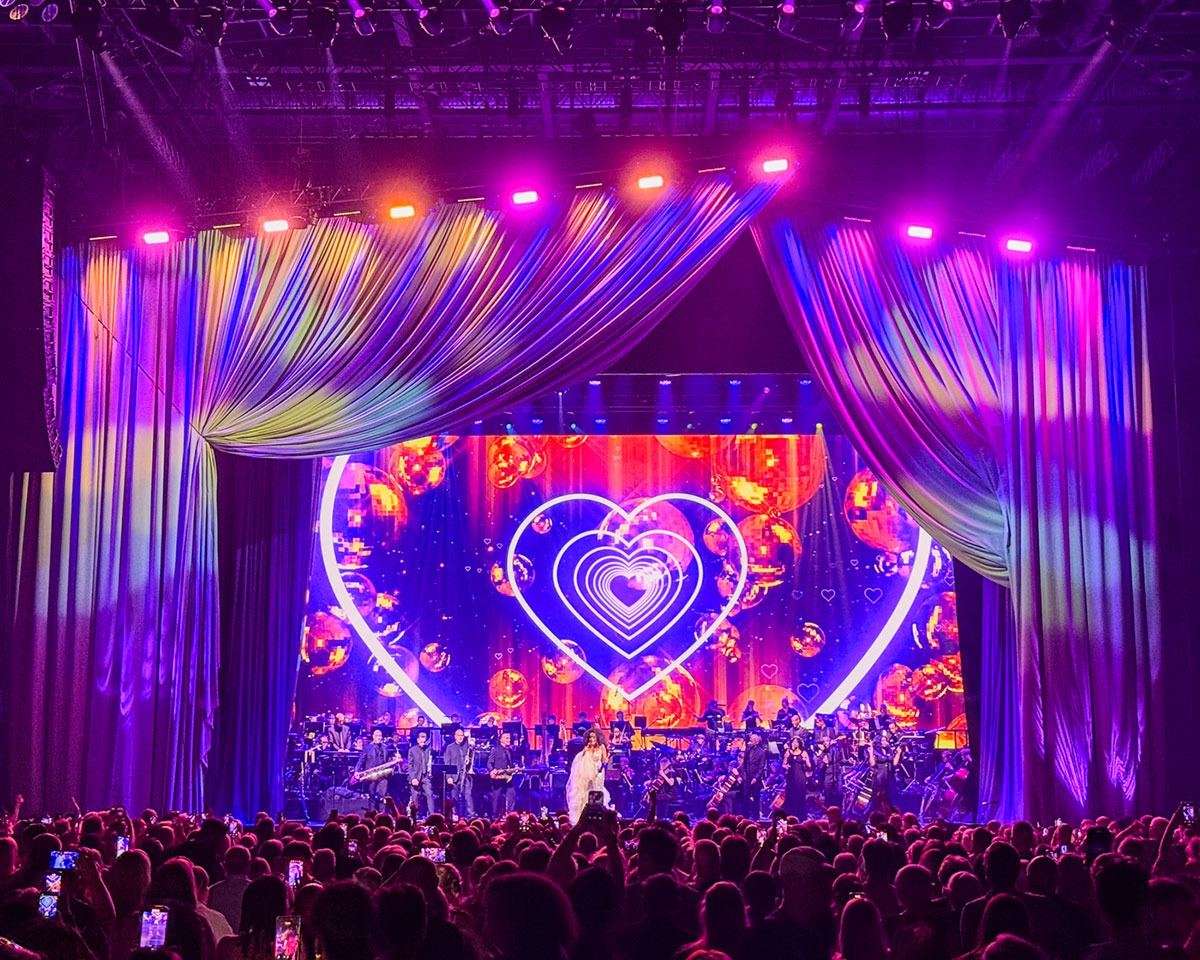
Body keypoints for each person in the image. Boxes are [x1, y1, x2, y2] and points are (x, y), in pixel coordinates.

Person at [566, 729, 610, 825]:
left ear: (598, 738)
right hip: (587, 775)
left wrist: (601, 768)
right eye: (590, 737)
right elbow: (580, 762)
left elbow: (605, 760)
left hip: (598, 773)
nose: (592, 739)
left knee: (597, 791)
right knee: (586, 792)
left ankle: (598, 815)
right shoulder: (586, 748)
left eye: (594, 737)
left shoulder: (601, 747)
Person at [353, 729, 398, 811]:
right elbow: (361, 760)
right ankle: (372, 813)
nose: (379, 738)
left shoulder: (385, 747)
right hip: (371, 775)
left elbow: (387, 760)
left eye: (380, 736)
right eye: (377, 736)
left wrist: (394, 760)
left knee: (382, 796)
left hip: (382, 775)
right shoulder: (367, 748)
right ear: (373, 737)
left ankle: (382, 814)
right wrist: (356, 771)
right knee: (372, 795)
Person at [442, 727, 475, 820]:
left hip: (465, 775)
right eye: (459, 735)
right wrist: (448, 777)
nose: (460, 737)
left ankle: (471, 815)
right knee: (454, 796)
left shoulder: (467, 747)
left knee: (468, 795)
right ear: (455, 736)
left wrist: (469, 761)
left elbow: (472, 759)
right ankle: (455, 814)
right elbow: (447, 763)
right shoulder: (450, 747)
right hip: (454, 776)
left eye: (462, 735)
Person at [487, 731, 520, 815]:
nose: (509, 740)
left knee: (512, 794)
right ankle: (494, 815)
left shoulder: (510, 751)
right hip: (499, 777)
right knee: (496, 797)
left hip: (508, 777)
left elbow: (511, 763)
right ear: (501, 739)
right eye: (506, 738)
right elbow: (489, 763)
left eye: (509, 738)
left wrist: (515, 769)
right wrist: (492, 770)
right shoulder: (495, 750)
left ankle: (510, 814)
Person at [781, 736, 812, 818]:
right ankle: (790, 814)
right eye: (793, 742)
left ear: (799, 744)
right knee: (790, 794)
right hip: (791, 776)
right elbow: (783, 764)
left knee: (800, 794)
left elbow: (809, 766)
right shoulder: (788, 752)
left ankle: (800, 815)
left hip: (800, 777)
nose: (794, 743)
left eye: (796, 742)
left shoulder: (803, 753)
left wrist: (805, 760)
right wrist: (786, 766)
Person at [407, 730, 435, 817]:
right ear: (418, 740)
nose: (423, 741)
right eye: (421, 739)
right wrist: (413, 778)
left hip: (426, 776)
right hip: (415, 776)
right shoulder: (412, 750)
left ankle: (432, 815)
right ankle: (415, 816)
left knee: (429, 793)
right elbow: (410, 766)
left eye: (424, 739)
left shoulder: (429, 750)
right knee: (415, 796)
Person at [741, 733, 768, 820]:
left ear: (756, 742)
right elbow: (744, 764)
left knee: (756, 798)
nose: (750, 742)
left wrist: (756, 778)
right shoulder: (748, 750)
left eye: (752, 740)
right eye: (750, 740)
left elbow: (761, 767)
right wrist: (744, 775)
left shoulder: (762, 752)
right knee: (746, 797)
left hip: (755, 778)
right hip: (747, 777)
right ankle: (745, 816)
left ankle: (756, 817)